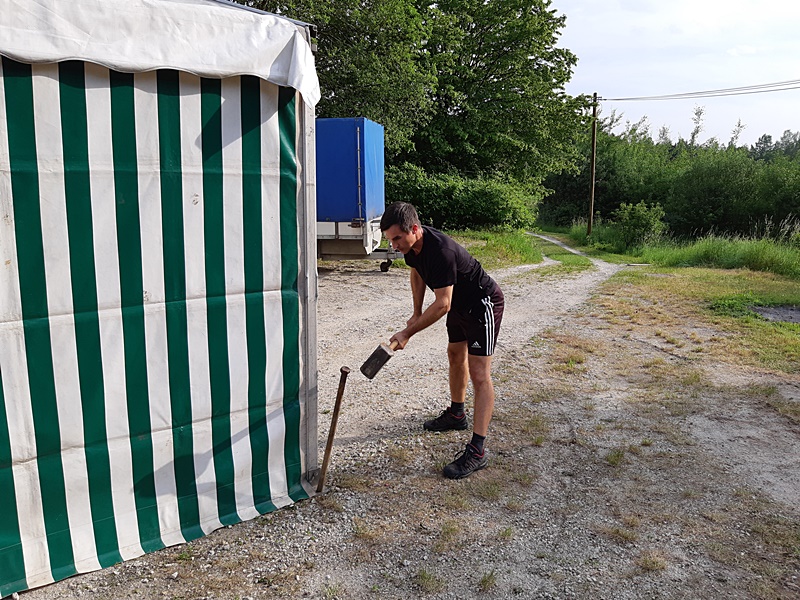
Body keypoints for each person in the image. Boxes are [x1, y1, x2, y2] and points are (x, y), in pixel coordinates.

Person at [380, 202, 504, 479]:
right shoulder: (412, 248)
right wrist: (415, 312)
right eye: (390, 240)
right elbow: (416, 272)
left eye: (397, 238)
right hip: (459, 305)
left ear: (414, 229)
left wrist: (407, 333)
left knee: (480, 374)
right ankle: (457, 415)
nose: (394, 246)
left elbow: (442, 304)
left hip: (481, 304)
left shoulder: (441, 251)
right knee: (454, 354)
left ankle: (478, 451)